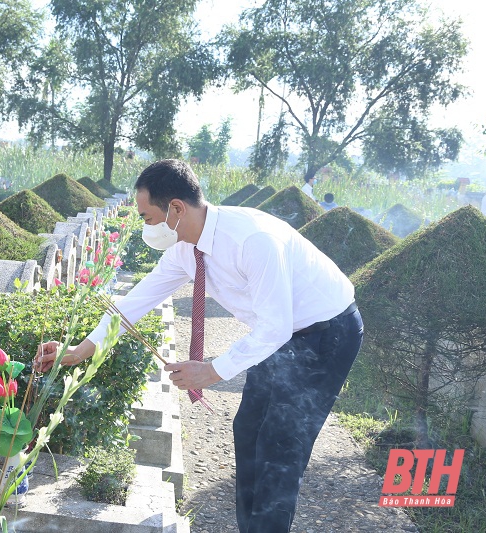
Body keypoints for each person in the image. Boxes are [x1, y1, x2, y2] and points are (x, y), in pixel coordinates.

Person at [35, 159, 364, 533]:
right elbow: (136, 302)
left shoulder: (251, 239)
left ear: (175, 208)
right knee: (249, 428)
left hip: (326, 332)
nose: (145, 225)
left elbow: (274, 327)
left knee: (281, 444)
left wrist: (209, 371)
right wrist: (81, 349)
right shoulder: (185, 249)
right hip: (281, 332)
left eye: (146, 216)